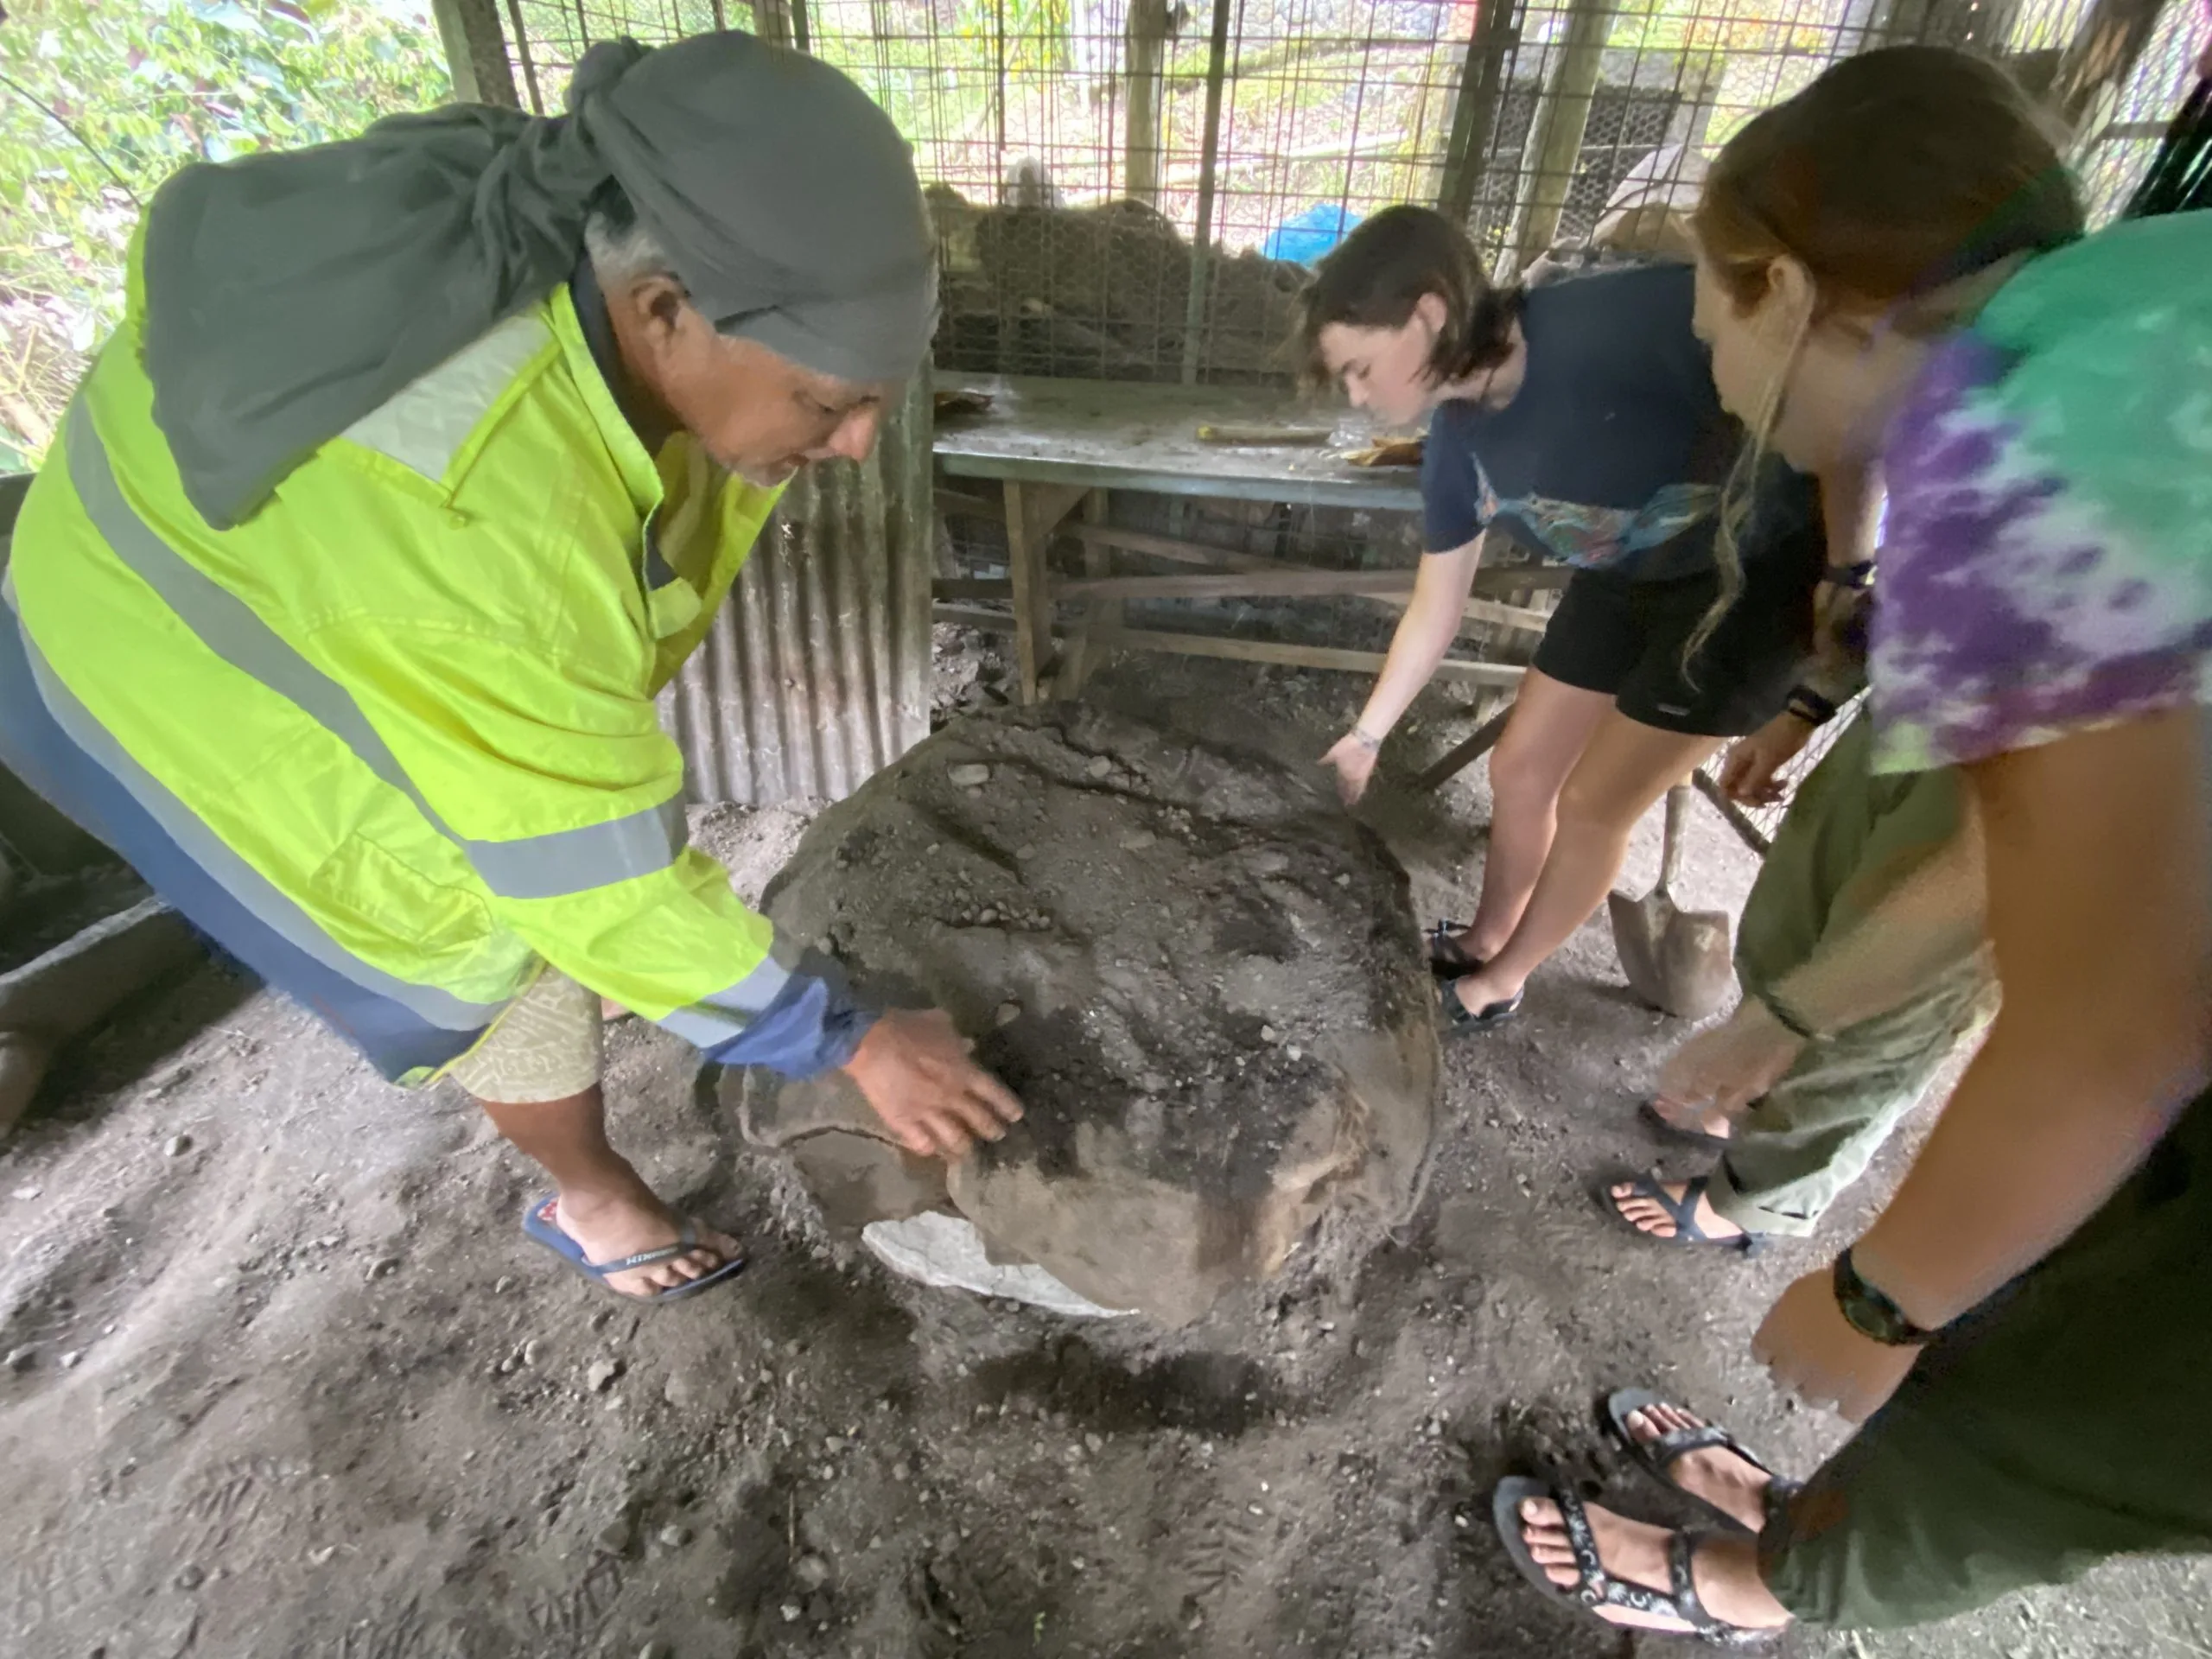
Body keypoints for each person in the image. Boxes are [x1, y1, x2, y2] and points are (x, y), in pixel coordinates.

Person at [0, 33, 1021, 1306]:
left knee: (546, 848)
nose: (862, 444)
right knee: (479, 931)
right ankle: (594, 1199)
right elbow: (587, 888)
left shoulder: (576, 206)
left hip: (230, 557)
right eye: (827, 405)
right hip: (163, 666)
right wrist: (850, 1033)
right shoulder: (485, 531)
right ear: (662, 311)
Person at [1493, 46, 2212, 1642]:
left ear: (1796, 289)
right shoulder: (2092, 316)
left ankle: (1753, 1586)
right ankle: (1810, 1513)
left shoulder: (2047, 443)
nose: (1706, 358)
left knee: (2084, 1411)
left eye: (1712, 314)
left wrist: (1889, 1301)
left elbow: (2114, 1009)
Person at [1300, 206, 1825, 1035]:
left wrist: (1829, 643)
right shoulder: (1456, 445)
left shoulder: (1627, 320)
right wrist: (1366, 738)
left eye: (1362, 368)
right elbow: (1436, 606)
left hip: (1751, 585)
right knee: (1519, 771)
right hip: (1623, 577)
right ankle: (1488, 934)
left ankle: (1501, 980)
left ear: (1429, 314)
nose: (1360, 398)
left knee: (1592, 805)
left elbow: (1818, 401)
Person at [1603, 592, 1995, 1250]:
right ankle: (1751, 1100)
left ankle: (1754, 1201)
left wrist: (1792, 1017)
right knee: (1787, 930)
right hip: (1912, 698)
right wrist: (1811, 702)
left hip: (2045, 783)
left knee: (1878, 1015)